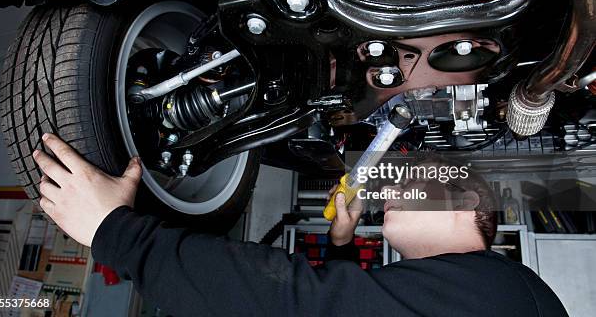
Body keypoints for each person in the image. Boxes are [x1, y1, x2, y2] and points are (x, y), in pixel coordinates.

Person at [32, 133, 568, 316]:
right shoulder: (499, 293)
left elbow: (299, 305)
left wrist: (118, 232)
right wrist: (342, 245)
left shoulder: (504, 294)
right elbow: (346, 303)